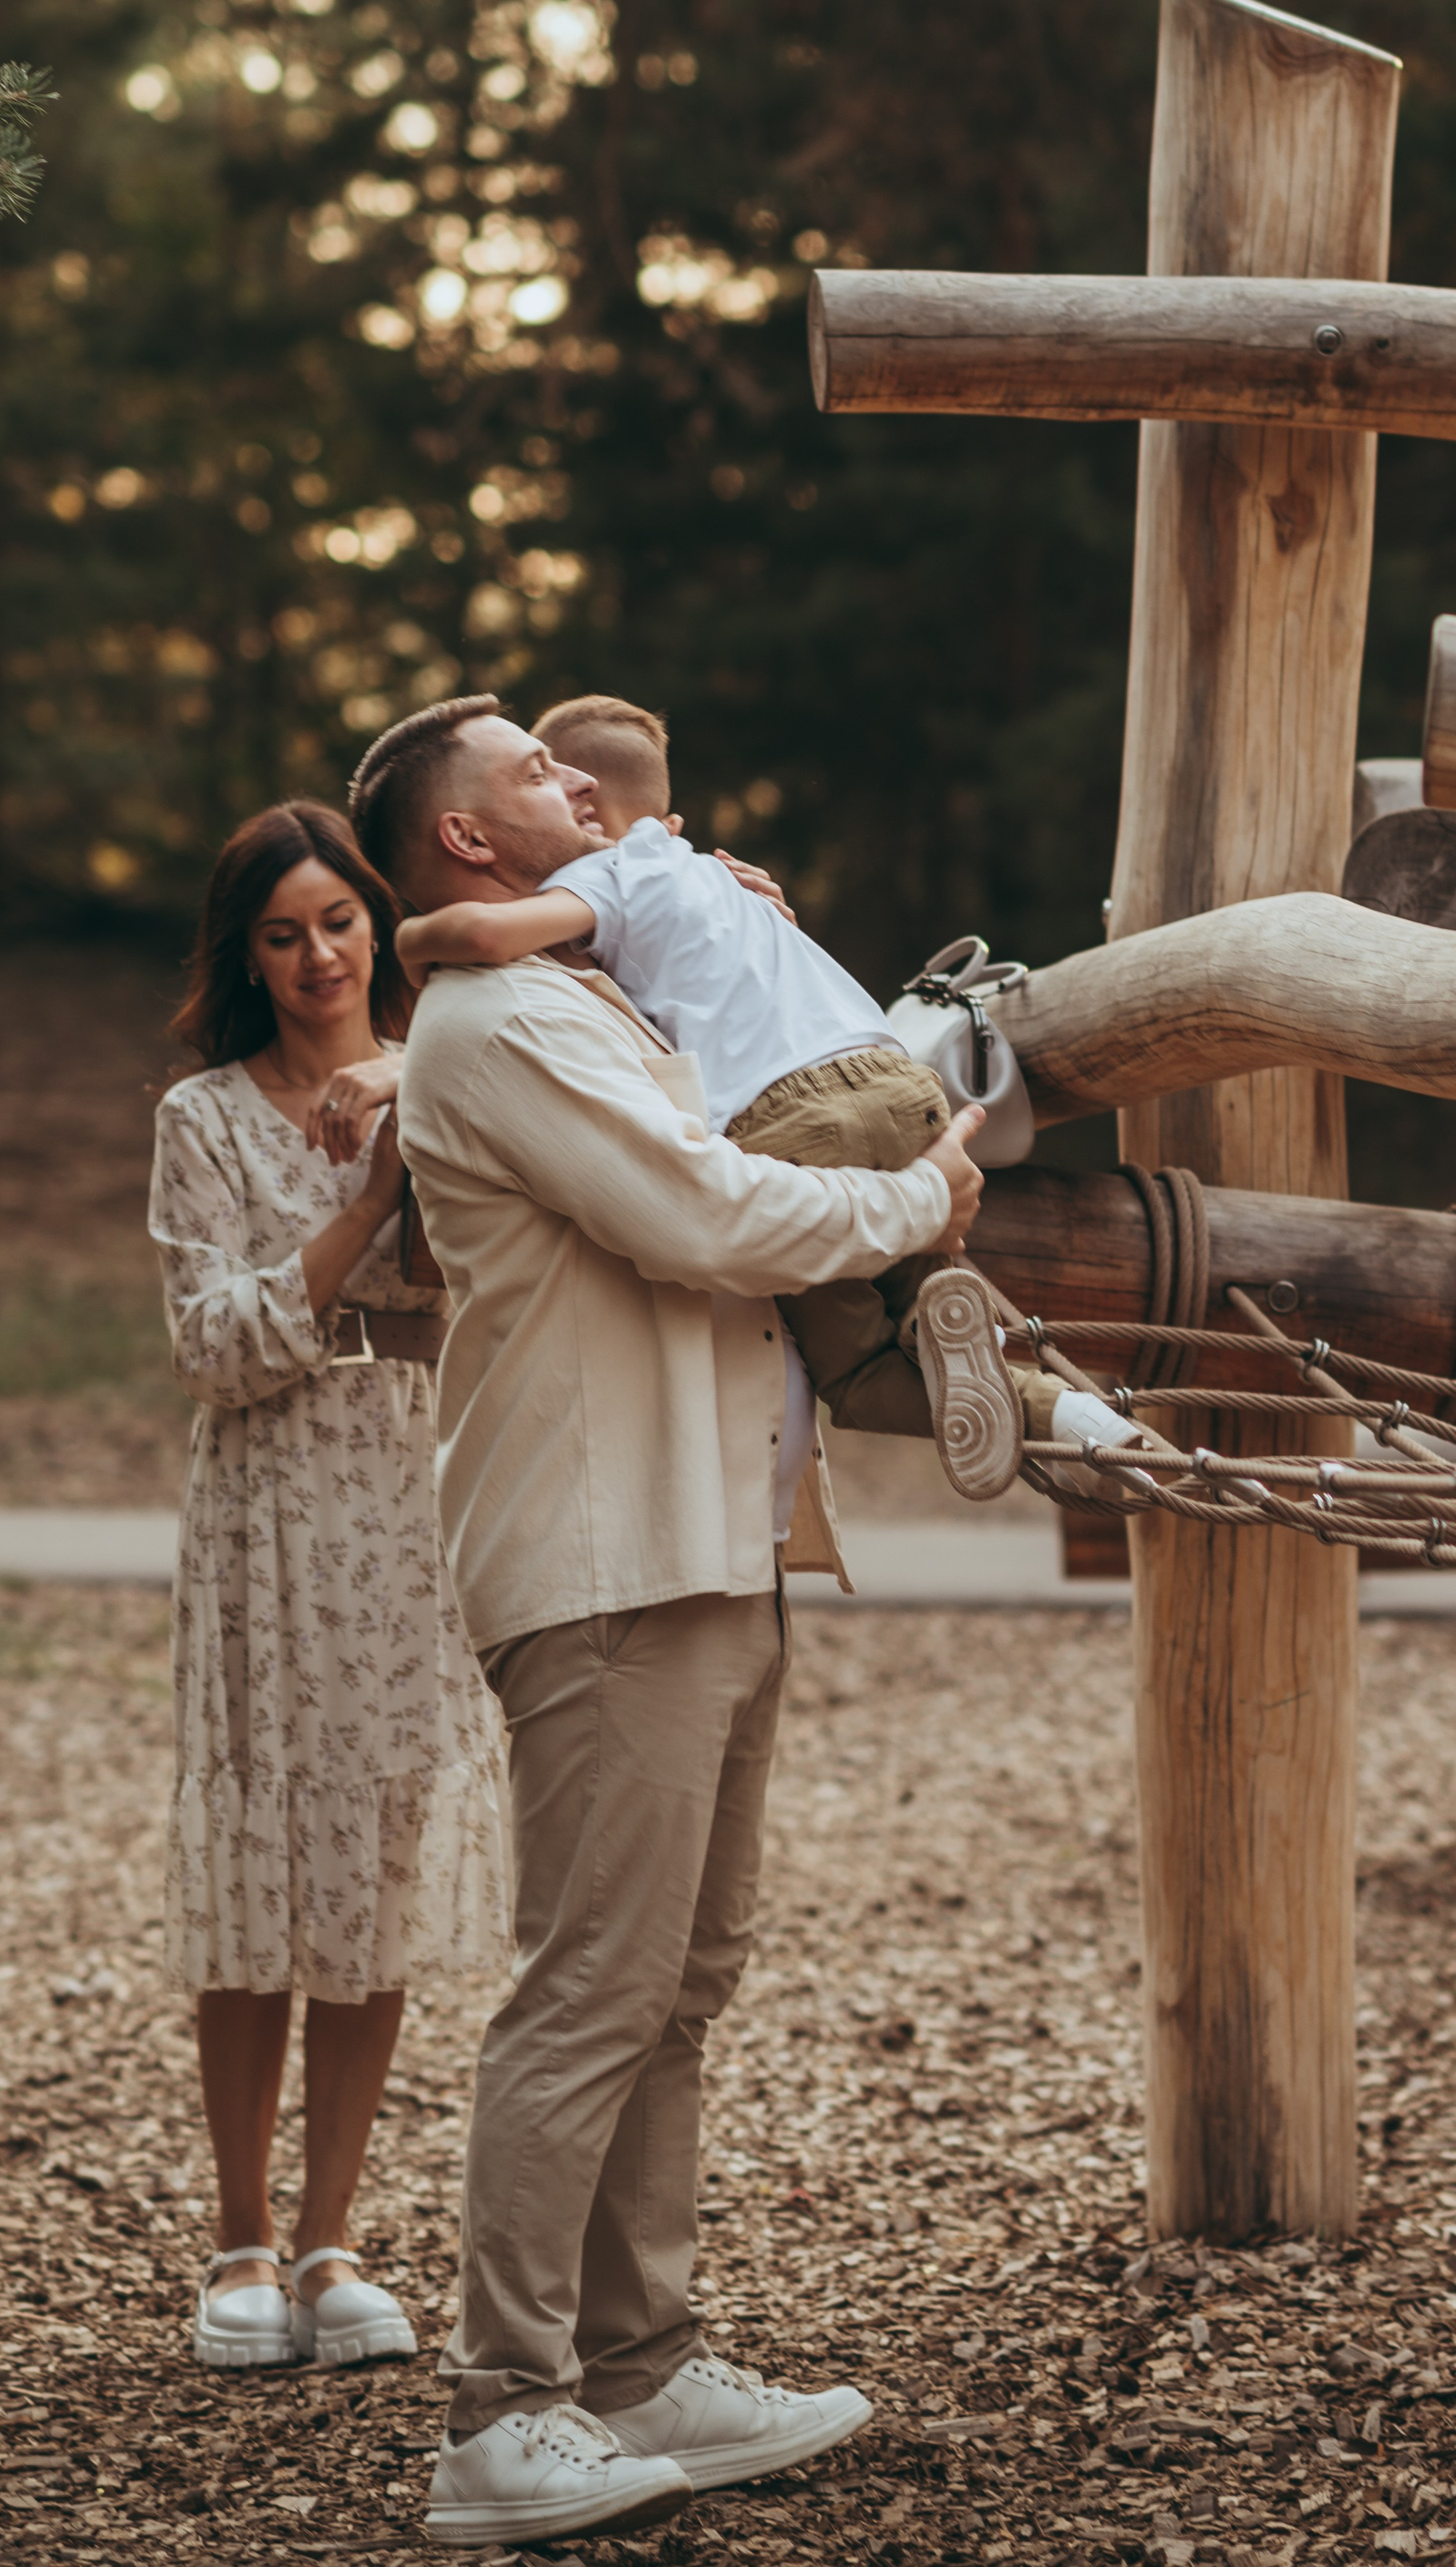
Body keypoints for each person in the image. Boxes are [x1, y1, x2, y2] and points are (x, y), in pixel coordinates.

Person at [348, 695, 987, 2550]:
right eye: (538, 777)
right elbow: (702, 1212)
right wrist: (914, 1193)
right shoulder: (499, 1020)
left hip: (714, 1535)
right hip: (607, 1548)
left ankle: (639, 2358)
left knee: (682, 1977)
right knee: (594, 1979)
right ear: (468, 838)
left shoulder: (584, 981)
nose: (584, 787)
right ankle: (502, 2400)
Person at [396, 691, 1133, 1499]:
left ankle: (1061, 1422)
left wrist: (409, 938)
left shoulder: (608, 873)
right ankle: (1079, 1419)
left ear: (593, 807)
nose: (560, 790)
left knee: (856, 1373)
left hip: (796, 1122)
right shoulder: (699, 874)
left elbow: (483, 935)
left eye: (557, 774)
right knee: (925, 1312)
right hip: (900, 1086)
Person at [149, 799, 510, 2374]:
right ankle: (236, 2239)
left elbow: (489, 1275)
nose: (317, 955)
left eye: (340, 922)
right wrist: (364, 1204)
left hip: (414, 1486)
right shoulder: (202, 1117)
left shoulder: (450, 1081)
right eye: (283, 932)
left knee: (374, 1849)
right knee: (260, 1864)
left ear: (381, 924)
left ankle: (332, 2236)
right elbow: (215, 1346)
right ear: (248, 952)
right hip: (267, 1505)